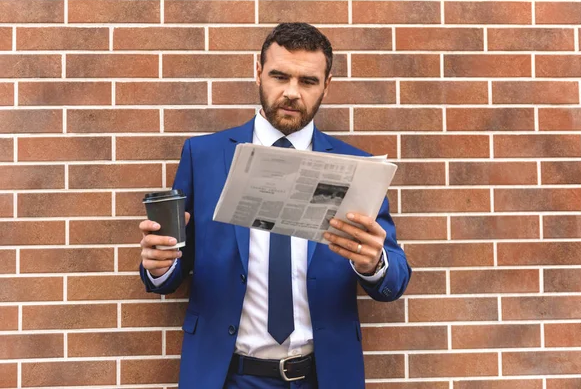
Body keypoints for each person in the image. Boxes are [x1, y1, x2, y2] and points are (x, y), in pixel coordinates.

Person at [138, 22, 412, 389]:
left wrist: (375, 263)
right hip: (227, 376)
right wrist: (159, 264)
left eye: (308, 81)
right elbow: (170, 270)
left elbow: (394, 280)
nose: (291, 93)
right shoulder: (203, 156)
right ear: (258, 72)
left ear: (327, 85)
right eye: (279, 76)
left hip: (323, 376)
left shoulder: (357, 167)